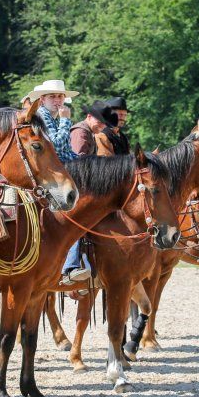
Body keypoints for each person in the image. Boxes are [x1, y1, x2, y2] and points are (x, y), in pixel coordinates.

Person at [59, 100, 120, 285]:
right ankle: (72, 264)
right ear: (89, 117)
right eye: (99, 121)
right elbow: (78, 165)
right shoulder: (81, 133)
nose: (102, 126)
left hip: (79, 185)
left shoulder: (88, 133)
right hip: (75, 186)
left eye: (104, 123)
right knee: (82, 217)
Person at [30, 80, 79, 163]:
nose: (57, 100)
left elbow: (67, 151)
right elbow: (56, 147)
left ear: (64, 98)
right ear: (42, 99)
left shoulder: (55, 118)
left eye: (60, 96)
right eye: (52, 96)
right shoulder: (41, 116)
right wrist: (65, 119)